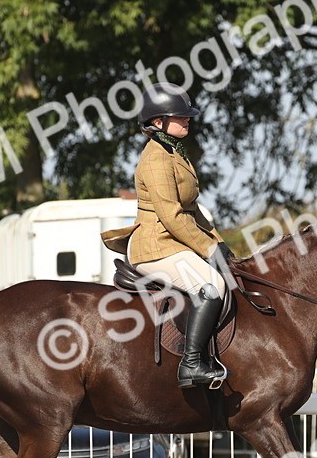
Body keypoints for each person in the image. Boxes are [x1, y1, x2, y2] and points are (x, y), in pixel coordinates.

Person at [101, 82, 235, 388]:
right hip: (155, 246)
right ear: (158, 122)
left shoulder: (174, 151)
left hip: (172, 243)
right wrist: (206, 249)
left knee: (229, 273)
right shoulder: (156, 159)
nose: (188, 119)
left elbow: (193, 209)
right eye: (180, 115)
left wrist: (218, 244)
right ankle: (190, 365)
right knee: (211, 285)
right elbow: (172, 216)